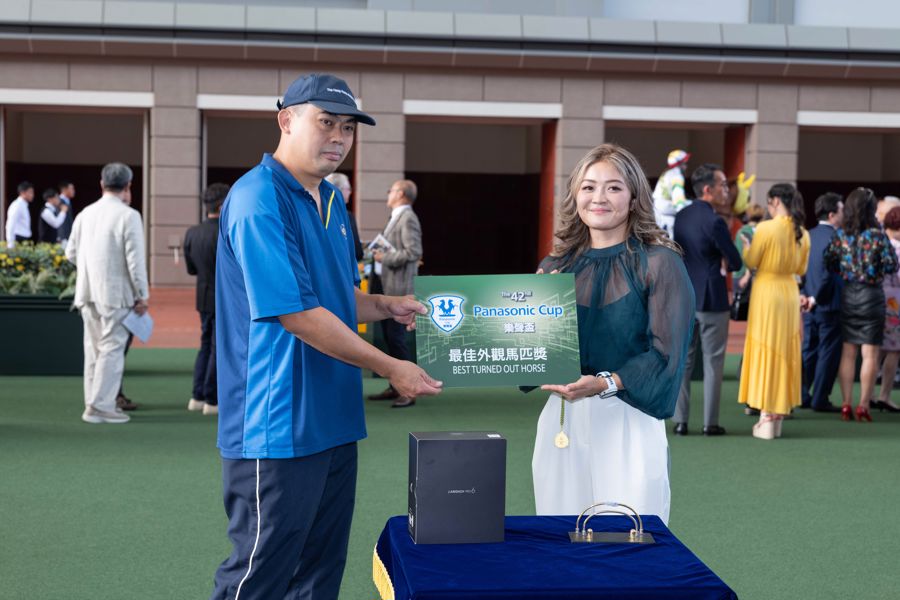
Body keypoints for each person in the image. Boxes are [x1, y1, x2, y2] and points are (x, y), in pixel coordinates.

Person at [211, 73, 442, 600]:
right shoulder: (257, 199)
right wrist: (391, 366)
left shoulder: (333, 204)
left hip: (334, 419)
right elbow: (296, 313)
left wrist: (384, 304)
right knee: (260, 571)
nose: (338, 137)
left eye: (347, 127)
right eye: (325, 123)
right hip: (276, 422)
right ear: (286, 120)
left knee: (319, 573)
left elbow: (332, 296)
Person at [533, 143, 694, 525]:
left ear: (634, 196)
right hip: (561, 422)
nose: (599, 198)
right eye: (588, 187)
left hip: (630, 421)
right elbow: (532, 360)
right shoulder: (554, 267)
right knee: (561, 542)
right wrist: (532, 323)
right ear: (575, 195)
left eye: (613, 187)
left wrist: (605, 383)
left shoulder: (660, 263)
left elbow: (667, 355)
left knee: (627, 545)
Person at [65, 163, 149, 425]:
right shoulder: (129, 215)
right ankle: (101, 406)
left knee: (92, 348)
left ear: (102, 184)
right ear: (128, 186)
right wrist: (142, 294)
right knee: (111, 350)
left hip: (87, 292)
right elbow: (135, 261)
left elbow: (71, 253)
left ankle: (93, 401)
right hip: (116, 294)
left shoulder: (84, 214)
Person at [672, 164, 743, 436]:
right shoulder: (715, 221)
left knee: (684, 361)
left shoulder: (681, 217)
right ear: (707, 189)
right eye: (723, 185)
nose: (727, 190)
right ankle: (709, 423)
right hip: (712, 298)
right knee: (713, 362)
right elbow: (735, 261)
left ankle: (680, 421)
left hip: (685, 296)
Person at [737, 184, 810, 439]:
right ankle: (777, 414)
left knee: (765, 347)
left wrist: (747, 246)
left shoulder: (765, 229)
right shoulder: (803, 232)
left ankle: (766, 414)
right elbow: (801, 269)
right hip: (789, 292)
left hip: (767, 292)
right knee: (785, 350)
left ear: (776, 201)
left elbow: (752, 261)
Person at [825, 187, 899, 422]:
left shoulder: (841, 235)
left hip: (849, 294)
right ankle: (863, 404)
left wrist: (846, 271)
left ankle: (846, 403)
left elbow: (829, 261)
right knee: (870, 354)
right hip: (872, 296)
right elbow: (891, 265)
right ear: (870, 210)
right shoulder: (877, 236)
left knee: (848, 352)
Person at [366, 179, 423, 408]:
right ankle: (396, 386)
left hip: (398, 288)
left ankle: (409, 390)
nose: (388, 194)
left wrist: (384, 257)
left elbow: (413, 251)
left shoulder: (408, 217)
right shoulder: (396, 216)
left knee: (397, 340)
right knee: (391, 339)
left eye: (391, 190)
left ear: (400, 193)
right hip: (386, 284)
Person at [184, 182, 229, 416]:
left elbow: (191, 269)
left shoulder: (192, 232)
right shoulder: (227, 231)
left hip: (202, 297)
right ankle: (212, 399)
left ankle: (197, 396)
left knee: (205, 345)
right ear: (222, 206)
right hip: (225, 299)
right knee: (218, 347)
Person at [800, 192, 844, 413]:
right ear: (832, 214)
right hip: (828, 303)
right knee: (828, 352)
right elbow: (830, 273)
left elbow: (801, 269)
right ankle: (820, 398)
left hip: (807, 302)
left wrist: (807, 296)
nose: (844, 214)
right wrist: (816, 297)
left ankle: (802, 394)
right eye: (841, 210)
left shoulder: (807, 235)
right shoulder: (836, 239)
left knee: (809, 348)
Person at [875, 205, 900, 413]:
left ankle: (869, 394)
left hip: (876, 298)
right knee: (894, 349)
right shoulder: (898, 248)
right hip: (895, 302)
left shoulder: (878, 242)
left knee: (878, 348)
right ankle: (884, 394)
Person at [324, 172, 363, 262]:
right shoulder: (346, 215)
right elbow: (357, 252)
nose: (350, 192)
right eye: (348, 189)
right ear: (338, 190)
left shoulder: (315, 211)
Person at [652, 148, 690, 237]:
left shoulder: (666, 173)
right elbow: (679, 201)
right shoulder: (677, 176)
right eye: (685, 163)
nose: (686, 166)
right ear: (680, 163)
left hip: (657, 212)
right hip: (668, 215)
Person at [5, 181, 35, 247]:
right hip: (18, 238)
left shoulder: (24, 205)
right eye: (30, 192)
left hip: (25, 238)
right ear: (22, 193)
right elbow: (10, 224)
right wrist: (10, 243)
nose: (32, 195)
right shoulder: (17, 205)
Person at [57, 180, 76, 247]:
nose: (74, 191)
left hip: (68, 235)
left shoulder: (68, 202)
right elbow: (59, 221)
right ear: (65, 189)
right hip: (62, 237)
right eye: (71, 189)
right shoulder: (58, 201)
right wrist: (61, 236)